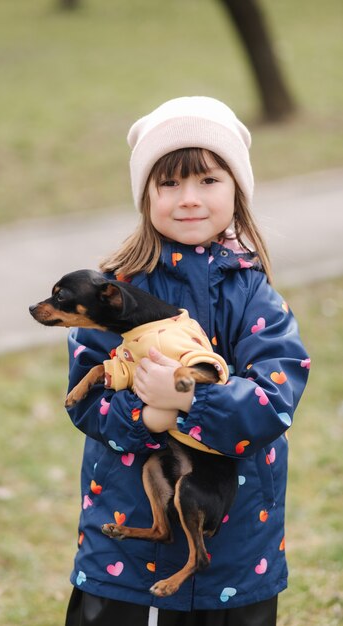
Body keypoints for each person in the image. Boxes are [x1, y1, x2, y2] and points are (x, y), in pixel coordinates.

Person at [64, 97, 310, 626]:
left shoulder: (253, 295)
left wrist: (188, 399)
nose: (189, 199)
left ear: (236, 189)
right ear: (145, 195)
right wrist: (147, 415)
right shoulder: (114, 294)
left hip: (237, 536)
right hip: (125, 538)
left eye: (208, 181)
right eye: (169, 184)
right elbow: (85, 404)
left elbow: (276, 399)